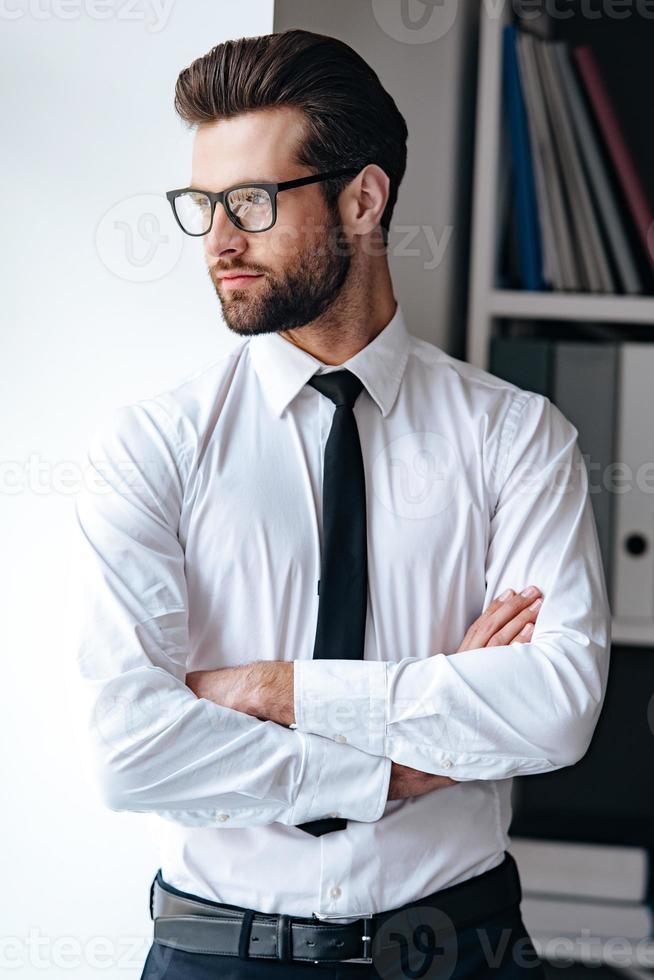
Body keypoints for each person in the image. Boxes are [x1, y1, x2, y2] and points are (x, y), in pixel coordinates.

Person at [71, 28, 611, 979]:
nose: (220, 240)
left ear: (363, 198)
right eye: (203, 205)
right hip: (217, 954)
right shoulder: (152, 446)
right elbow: (131, 751)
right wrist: (408, 757)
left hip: (460, 950)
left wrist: (272, 690)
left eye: (251, 201)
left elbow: (556, 709)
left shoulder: (515, 438)